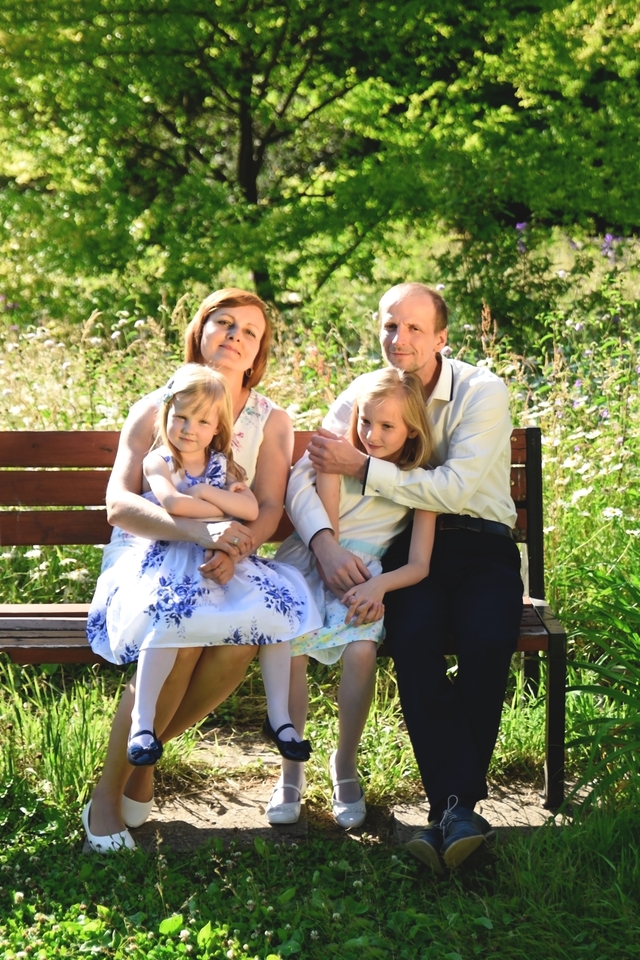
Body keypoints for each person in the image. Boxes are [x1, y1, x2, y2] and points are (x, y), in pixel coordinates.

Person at [282, 281, 524, 871]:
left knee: (488, 638)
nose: (400, 338)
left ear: (442, 337)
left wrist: (363, 466)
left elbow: (455, 489)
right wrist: (324, 544)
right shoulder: (368, 392)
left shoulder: (482, 391)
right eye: (391, 325)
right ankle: (457, 811)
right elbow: (307, 473)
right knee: (413, 640)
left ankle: (452, 806)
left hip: (482, 546)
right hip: (408, 552)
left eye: (415, 327)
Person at [83, 288, 315, 853]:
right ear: (200, 331)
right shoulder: (159, 406)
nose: (235, 335)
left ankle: (145, 758)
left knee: (242, 640)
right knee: (180, 631)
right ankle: (107, 798)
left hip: (226, 555)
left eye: (249, 331)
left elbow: (266, 507)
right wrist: (197, 533)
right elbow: (119, 504)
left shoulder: (271, 420)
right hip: (147, 552)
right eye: (224, 323)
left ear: (258, 351)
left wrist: (234, 548)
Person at [271, 368, 436, 828]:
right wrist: (337, 573)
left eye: (387, 426)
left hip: (367, 578)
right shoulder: (336, 463)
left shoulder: (420, 482)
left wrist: (378, 586)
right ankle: (290, 768)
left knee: (362, 650)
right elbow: (331, 539)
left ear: (412, 430)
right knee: (290, 649)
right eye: (365, 421)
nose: (372, 435)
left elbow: (419, 565)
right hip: (314, 564)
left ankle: (345, 762)